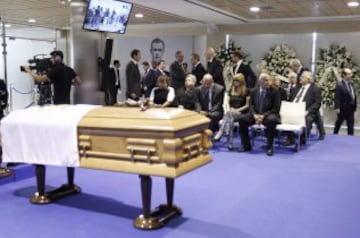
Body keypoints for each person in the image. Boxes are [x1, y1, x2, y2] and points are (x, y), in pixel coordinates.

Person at [238, 73, 280, 156]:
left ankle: (269, 147)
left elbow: (276, 108)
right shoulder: (254, 91)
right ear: (260, 81)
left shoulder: (274, 91)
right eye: (266, 80)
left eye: (269, 80)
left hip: (268, 114)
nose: (268, 82)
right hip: (256, 114)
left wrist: (263, 115)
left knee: (272, 121)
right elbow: (251, 105)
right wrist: (254, 115)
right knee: (242, 119)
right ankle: (246, 145)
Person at [213, 73, 250, 150]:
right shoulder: (231, 90)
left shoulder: (246, 91)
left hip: (241, 113)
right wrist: (229, 109)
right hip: (231, 113)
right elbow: (228, 103)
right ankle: (230, 144)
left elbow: (247, 105)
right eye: (234, 80)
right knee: (230, 119)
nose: (235, 82)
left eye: (237, 81)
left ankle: (221, 133)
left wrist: (236, 110)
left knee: (229, 115)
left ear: (242, 81)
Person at [287, 71, 323, 144]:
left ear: (308, 79)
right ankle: (290, 138)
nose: (300, 78)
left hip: (306, 111)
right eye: (300, 76)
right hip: (293, 110)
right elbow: (290, 100)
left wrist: (308, 111)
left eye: (302, 77)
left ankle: (302, 139)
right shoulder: (295, 89)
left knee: (308, 119)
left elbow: (317, 103)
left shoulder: (315, 89)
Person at [334, 68, 357, 135]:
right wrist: (337, 107)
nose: (351, 75)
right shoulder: (340, 85)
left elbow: (353, 95)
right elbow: (337, 97)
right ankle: (334, 135)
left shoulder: (351, 84)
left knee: (350, 125)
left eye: (351, 73)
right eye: (349, 74)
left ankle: (350, 137)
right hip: (342, 108)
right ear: (344, 75)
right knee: (338, 123)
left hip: (351, 108)